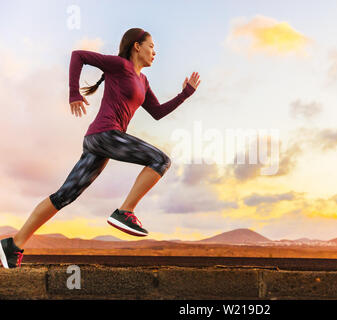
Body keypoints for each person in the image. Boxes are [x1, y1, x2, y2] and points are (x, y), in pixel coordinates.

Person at [0, 28, 201, 269]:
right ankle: (125, 212)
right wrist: (74, 93)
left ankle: (13, 245)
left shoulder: (143, 80)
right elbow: (78, 56)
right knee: (160, 160)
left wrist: (185, 94)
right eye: (151, 46)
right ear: (137, 46)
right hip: (105, 134)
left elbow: (157, 112)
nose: (154, 52)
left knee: (64, 196)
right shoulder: (120, 65)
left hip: (101, 142)